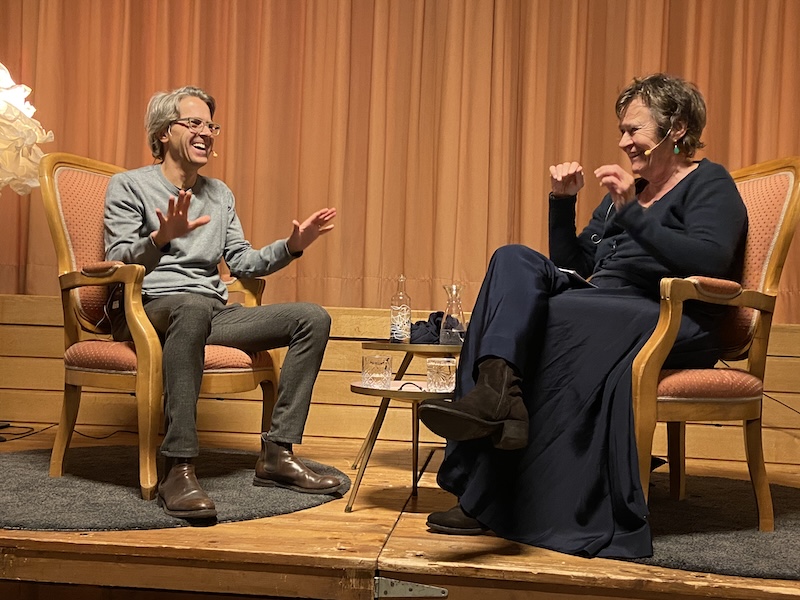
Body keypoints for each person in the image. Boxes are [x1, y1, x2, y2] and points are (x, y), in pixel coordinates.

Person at [418, 73, 747, 558]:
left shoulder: (707, 182)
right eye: (622, 130)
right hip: (601, 302)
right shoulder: (627, 193)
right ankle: (497, 396)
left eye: (633, 130)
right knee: (511, 258)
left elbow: (712, 259)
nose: (623, 141)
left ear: (676, 129)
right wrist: (561, 203)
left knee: (555, 318)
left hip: (664, 313)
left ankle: (499, 493)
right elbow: (575, 267)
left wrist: (632, 213)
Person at [104, 86, 341, 520]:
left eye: (210, 125)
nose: (206, 132)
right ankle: (179, 465)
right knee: (190, 307)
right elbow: (117, 260)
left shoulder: (220, 193)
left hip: (210, 311)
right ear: (162, 133)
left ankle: (277, 454)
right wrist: (160, 237)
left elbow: (244, 261)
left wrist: (292, 245)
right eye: (193, 123)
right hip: (148, 308)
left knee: (312, 317)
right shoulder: (129, 186)